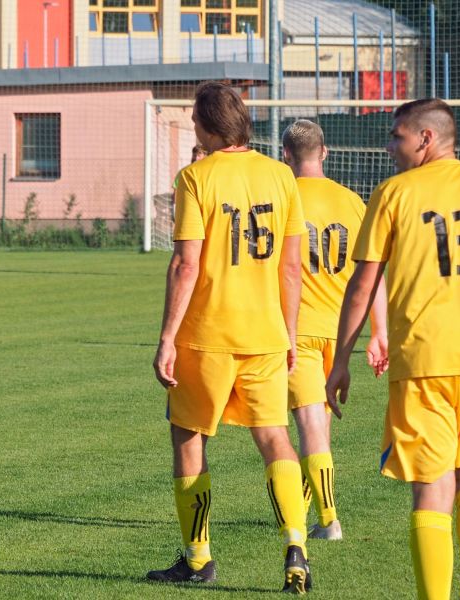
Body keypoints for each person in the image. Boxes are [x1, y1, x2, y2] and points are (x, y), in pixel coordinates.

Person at [150, 82, 312, 593]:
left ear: (206, 126)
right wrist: (289, 334)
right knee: (274, 438)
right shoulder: (281, 175)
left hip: (207, 335)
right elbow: (291, 268)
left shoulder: (196, 178)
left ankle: (198, 559)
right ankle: (296, 547)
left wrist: (166, 338)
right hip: (265, 333)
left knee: (189, 436)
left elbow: (185, 262)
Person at [326, 98, 460, 600]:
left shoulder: (394, 193)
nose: (389, 147)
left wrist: (341, 360)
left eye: (396, 136)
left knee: (432, 487)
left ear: (426, 139)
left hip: (426, 359)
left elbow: (363, 286)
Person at [281, 119, 388, 541]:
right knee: (319, 426)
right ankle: (310, 510)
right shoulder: (353, 202)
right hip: (341, 332)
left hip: (299, 328)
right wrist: (379, 331)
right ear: (325, 153)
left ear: (285, 155)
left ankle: (328, 520)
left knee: (308, 424)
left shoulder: (283, 198)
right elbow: (372, 273)